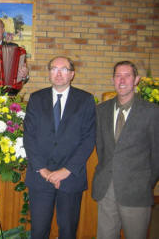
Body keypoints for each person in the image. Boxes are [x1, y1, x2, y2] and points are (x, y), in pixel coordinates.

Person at [24, 56, 96, 239]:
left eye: (63, 69)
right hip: (40, 178)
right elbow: (29, 136)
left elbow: (88, 139)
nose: (58, 73)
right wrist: (44, 171)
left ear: (72, 74)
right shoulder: (36, 98)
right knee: (38, 231)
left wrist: (66, 170)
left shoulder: (86, 99)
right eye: (54, 68)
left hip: (71, 178)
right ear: (49, 73)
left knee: (68, 232)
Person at [92, 61, 159, 239]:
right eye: (118, 76)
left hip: (136, 191)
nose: (122, 80)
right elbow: (101, 147)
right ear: (113, 79)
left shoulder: (152, 112)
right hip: (106, 189)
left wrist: (145, 182)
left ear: (136, 80)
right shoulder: (101, 110)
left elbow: (156, 155)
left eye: (127, 75)